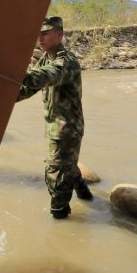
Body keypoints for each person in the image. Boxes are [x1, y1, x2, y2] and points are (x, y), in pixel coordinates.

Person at [17, 16, 92, 220]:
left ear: (59, 35)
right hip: (56, 126)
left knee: (56, 173)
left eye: (46, 33)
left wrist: (13, 72)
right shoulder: (45, 58)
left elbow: (47, 76)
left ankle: (60, 215)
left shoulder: (66, 61)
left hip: (66, 129)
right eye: (38, 34)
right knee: (68, 166)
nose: (40, 38)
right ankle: (86, 196)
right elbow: (28, 88)